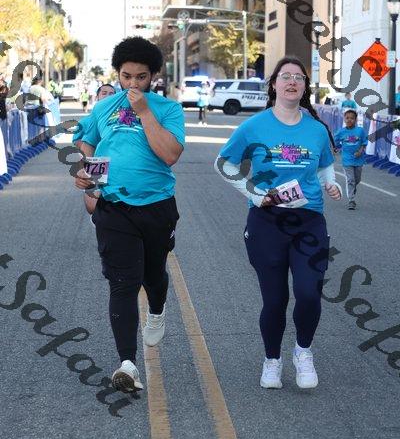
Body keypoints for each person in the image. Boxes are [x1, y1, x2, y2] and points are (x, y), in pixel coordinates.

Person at [215, 56, 342, 390]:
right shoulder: (254, 126)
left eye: (298, 77)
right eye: (285, 76)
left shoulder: (316, 129)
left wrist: (331, 184)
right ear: (273, 85)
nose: (292, 82)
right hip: (267, 221)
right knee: (274, 300)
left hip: (309, 221)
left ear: (305, 86)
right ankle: (272, 360)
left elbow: (325, 166)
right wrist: (254, 194)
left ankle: (303, 352)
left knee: (309, 293)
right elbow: (224, 163)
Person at [74, 37, 185, 393]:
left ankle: (157, 309)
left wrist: (145, 112)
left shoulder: (168, 109)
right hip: (114, 206)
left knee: (153, 275)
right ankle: (127, 364)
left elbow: (170, 155)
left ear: (153, 76)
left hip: (156, 206)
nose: (133, 84)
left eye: (141, 77)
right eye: (126, 76)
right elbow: (86, 140)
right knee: (123, 282)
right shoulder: (104, 107)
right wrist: (86, 171)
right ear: (118, 74)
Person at [72, 84, 116, 214]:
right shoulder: (86, 121)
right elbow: (77, 142)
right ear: (97, 97)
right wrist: (95, 149)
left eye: (112, 94)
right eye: (104, 93)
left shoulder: (119, 119)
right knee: (94, 206)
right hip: (96, 162)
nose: (108, 96)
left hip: (115, 164)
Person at [334, 109, 367, 210]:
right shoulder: (341, 132)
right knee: (350, 180)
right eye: (347, 118)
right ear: (344, 119)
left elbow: (364, 142)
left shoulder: (360, 131)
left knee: (357, 179)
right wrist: (336, 148)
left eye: (352, 118)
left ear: (355, 120)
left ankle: (352, 189)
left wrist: (360, 151)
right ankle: (351, 200)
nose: (349, 120)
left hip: (358, 159)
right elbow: (335, 141)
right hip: (347, 159)